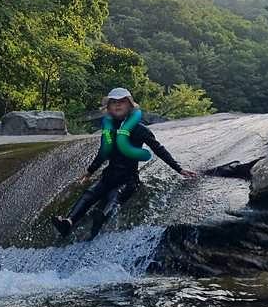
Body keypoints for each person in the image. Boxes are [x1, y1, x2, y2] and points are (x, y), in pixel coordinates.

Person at [51, 87, 197, 239]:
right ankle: (68, 222)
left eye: (122, 102)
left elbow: (158, 149)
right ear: (108, 107)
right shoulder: (109, 129)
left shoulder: (139, 129)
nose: (118, 105)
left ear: (130, 106)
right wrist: (89, 172)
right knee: (90, 194)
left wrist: (179, 169)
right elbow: (103, 153)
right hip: (109, 175)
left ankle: (101, 217)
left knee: (116, 195)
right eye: (113, 102)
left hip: (129, 178)